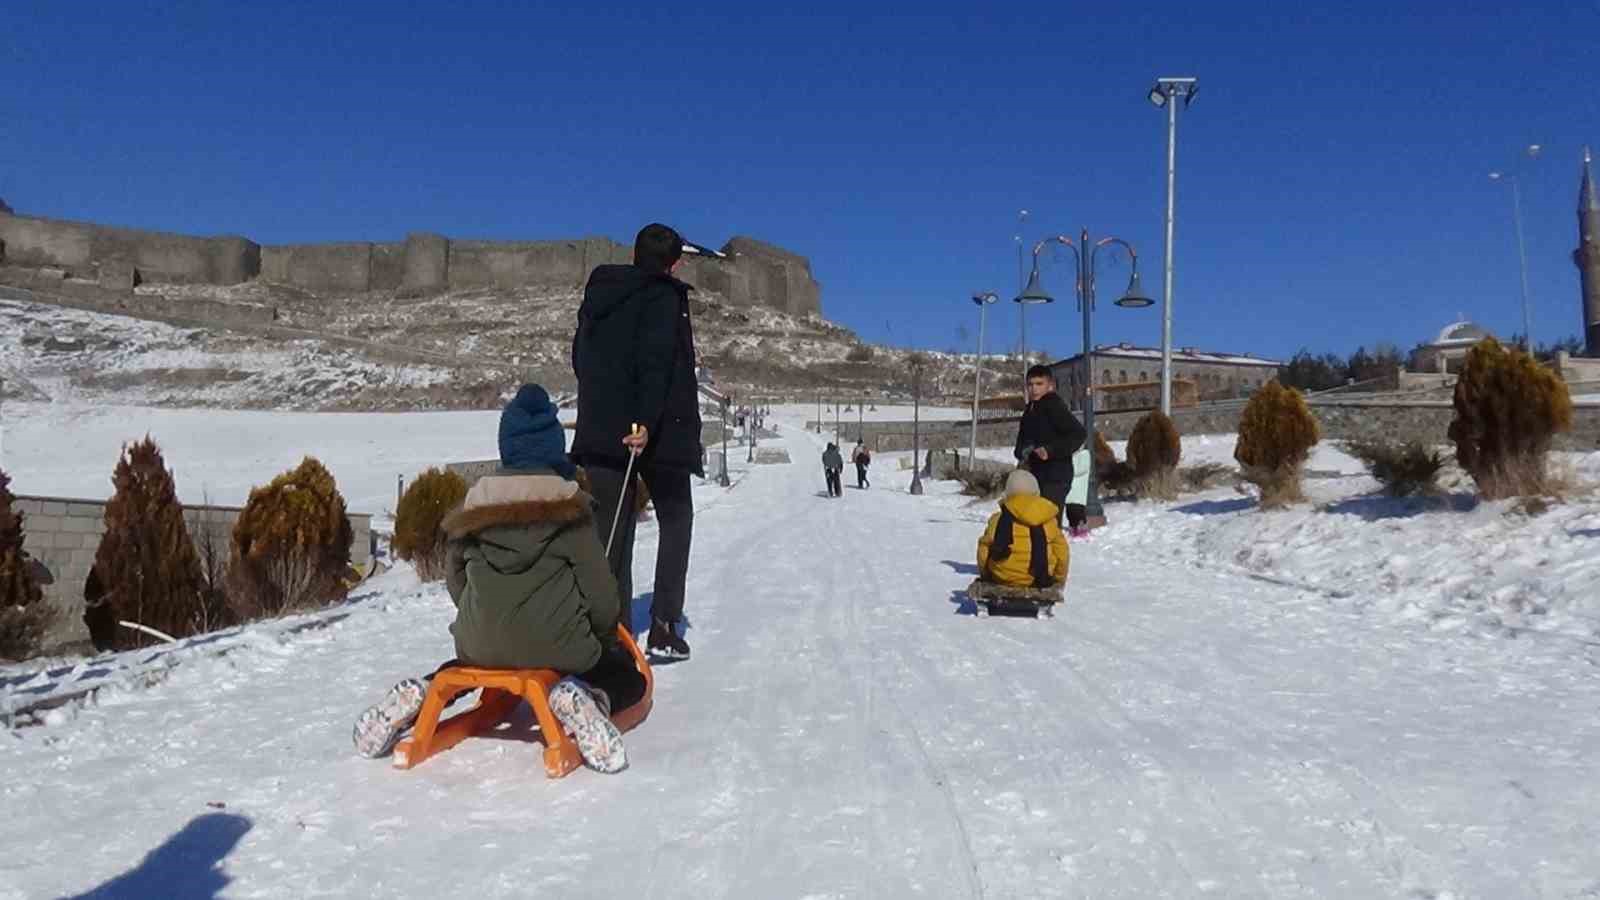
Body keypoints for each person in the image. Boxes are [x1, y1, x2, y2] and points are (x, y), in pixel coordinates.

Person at [353, 385, 644, 773]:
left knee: (470, 663)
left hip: (480, 640)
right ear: (554, 448)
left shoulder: (474, 507)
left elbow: (455, 580)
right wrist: (602, 635)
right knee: (627, 675)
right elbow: (601, 593)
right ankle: (591, 698)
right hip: (558, 645)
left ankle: (423, 693)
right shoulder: (571, 509)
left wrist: (479, 613)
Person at [571, 223, 700, 661]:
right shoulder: (663, 295)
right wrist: (643, 420)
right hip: (656, 431)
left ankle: (615, 633)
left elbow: (580, 357)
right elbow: (656, 359)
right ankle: (663, 624)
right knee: (677, 517)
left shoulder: (599, 293)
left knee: (614, 535)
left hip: (601, 427)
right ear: (674, 262)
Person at [1014, 365, 1087, 525]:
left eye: (1039, 384)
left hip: (1055, 477)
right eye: (1030, 384)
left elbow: (1079, 434)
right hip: (1034, 476)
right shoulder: (1029, 410)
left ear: (1050, 385)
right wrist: (1022, 451)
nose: (1034, 389)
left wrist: (1050, 450)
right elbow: (1021, 442)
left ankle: (1055, 551)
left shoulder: (1054, 406)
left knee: (1049, 528)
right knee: (1033, 527)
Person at [976, 469, 1069, 590]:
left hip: (1002, 577)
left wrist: (986, 574)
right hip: (1039, 579)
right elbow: (1062, 553)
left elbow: (984, 549)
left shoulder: (998, 519)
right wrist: (1058, 579)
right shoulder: (1048, 521)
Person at [1063, 446, 1090, 537]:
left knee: (1078, 510)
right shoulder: (1068, 454)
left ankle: (1081, 528)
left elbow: (1081, 470)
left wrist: (1068, 467)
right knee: (1070, 511)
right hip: (1070, 489)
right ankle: (1072, 527)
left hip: (1079, 490)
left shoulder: (1084, 454)